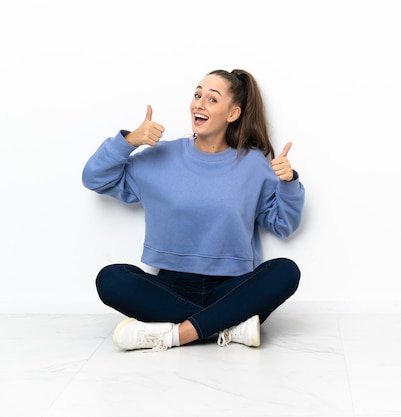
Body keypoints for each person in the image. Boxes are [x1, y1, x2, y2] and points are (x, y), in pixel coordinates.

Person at [82, 69, 305, 351]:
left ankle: (176, 335)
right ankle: (227, 326)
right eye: (197, 95)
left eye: (212, 99)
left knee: (285, 271)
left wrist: (288, 182)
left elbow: (284, 224)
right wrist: (129, 142)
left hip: (233, 288)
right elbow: (94, 178)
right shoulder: (160, 157)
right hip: (171, 288)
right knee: (111, 279)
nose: (198, 103)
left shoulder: (253, 164)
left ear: (233, 113)